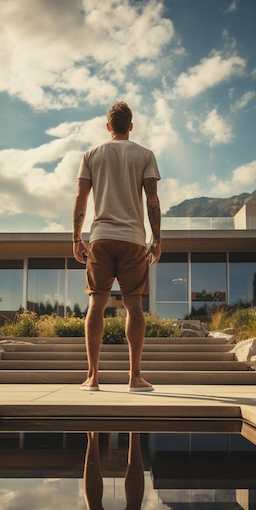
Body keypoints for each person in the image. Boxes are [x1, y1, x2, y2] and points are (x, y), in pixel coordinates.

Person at [72, 102, 161, 392]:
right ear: (130, 126)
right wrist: (157, 239)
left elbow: (81, 199)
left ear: (108, 126)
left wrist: (76, 237)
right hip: (133, 239)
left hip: (100, 237)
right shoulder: (145, 155)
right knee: (134, 305)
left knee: (96, 303)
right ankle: (134, 378)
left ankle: (92, 377)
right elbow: (152, 200)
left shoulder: (91, 154)